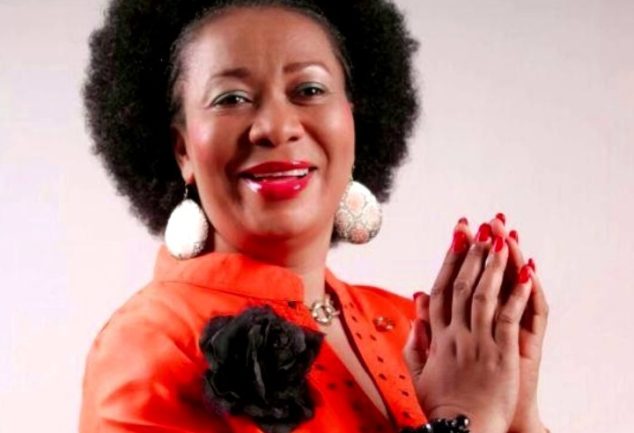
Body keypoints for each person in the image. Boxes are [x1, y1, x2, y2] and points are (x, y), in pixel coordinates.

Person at [80, 1, 549, 432]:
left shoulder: (412, 326)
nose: (277, 127)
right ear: (183, 149)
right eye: (231, 98)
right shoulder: (146, 346)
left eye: (308, 90)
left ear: (352, 124)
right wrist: (466, 417)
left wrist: (520, 416)